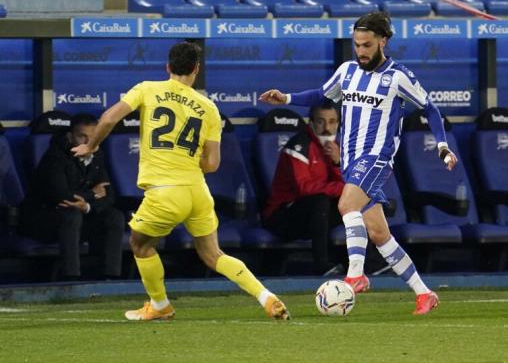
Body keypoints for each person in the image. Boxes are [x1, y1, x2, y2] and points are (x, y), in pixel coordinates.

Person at [72, 42, 290, 321]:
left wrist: (91, 146)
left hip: (165, 192)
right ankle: (265, 296)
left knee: (140, 245)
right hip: (197, 191)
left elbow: (109, 117)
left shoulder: (147, 89)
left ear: (168, 66)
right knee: (213, 254)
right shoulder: (208, 107)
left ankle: (160, 305)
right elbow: (212, 164)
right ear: (196, 70)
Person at [260, 11, 458, 315]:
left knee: (345, 205)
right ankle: (424, 293)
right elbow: (321, 94)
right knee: (379, 234)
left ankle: (356, 274)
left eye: (366, 45)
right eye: (357, 45)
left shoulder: (398, 76)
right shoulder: (347, 71)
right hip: (351, 162)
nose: (361, 51)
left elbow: (430, 108)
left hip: (377, 158)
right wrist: (286, 97)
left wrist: (443, 146)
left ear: (383, 41)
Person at [21, 113, 124, 280]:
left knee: (114, 216)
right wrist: (92, 193)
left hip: (78, 219)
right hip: (43, 221)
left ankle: (110, 277)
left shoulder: (97, 155)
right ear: (70, 136)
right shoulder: (55, 156)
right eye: (82, 136)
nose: (87, 142)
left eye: (92, 137)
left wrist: (88, 206)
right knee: (71, 215)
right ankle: (71, 278)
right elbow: (60, 196)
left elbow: (109, 195)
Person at [263, 99, 344, 274]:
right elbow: (304, 188)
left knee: (358, 199)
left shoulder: (337, 147)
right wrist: (341, 189)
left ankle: (372, 264)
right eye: (321, 121)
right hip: (283, 216)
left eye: (332, 122)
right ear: (312, 122)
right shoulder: (299, 145)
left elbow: (350, 184)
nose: (327, 128)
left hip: (315, 218)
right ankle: (321, 265)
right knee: (321, 200)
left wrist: (337, 163)